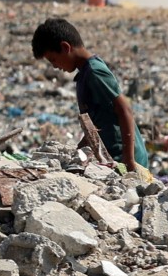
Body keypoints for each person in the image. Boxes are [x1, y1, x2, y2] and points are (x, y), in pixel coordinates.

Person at [31, 17, 148, 177]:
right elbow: (96, 122)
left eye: (53, 59)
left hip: (124, 158)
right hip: (112, 157)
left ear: (65, 48)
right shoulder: (85, 74)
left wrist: (129, 161)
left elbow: (124, 110)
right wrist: (79, 150)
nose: (55, 66)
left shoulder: (94, 72)